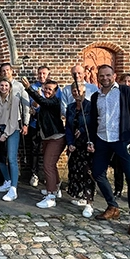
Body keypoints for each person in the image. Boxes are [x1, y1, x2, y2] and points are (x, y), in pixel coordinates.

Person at [88, 64, 130, 235]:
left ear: (114, 75)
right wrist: (91, 140)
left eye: (108, 75)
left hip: (123, 139)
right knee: (97, 172)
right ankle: (112, 206)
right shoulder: (96, 97)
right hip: (102, 139)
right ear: (98, 77)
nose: (104, 78)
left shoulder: (126, 91)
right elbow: (93, 120)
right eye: (101, 76)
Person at [22, 79, 66, 208]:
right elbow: (44, 113)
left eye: (50, 89)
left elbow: (43, 102)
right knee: (51, 165)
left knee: (48, 165)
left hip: (56, 137)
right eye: (45, 88)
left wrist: (29, 88)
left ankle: (51, 196)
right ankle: (55, 189)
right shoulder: (47, 103)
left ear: (55, 92)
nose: (47, 91)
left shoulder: (54, 101)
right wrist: (35, 113)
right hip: (47, 137)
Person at [65, 83, 95, 217]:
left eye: (79, 90)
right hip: (75, 144)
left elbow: (93, 124)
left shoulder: (90, 106)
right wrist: (70, 142)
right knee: (75, 170)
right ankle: (81, 196)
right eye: (74, 91)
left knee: (87, 172)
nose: (77, 93)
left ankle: (89, 202)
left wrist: (82, 130)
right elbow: (68, 127)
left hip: (87, 143)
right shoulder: (70, 107)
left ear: (84, 92)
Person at [26, 65, 57, 188]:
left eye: (44, 74)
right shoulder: (33, 88)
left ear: (48, 75)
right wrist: (35, 102)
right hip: (35, 123)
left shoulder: (53, 88)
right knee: (34, 149)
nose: (41, 76)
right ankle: (34, 174)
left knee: (48, 150)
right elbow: (31, 104)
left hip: (48, 125)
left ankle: (47, 175)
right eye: (40, 73)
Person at [0, 78, 22, 201]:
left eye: (6, 85)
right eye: (1, 85)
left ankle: (14, 189)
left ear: (9, 87)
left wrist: (6, 134)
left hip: (12, 130)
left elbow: (14, 120)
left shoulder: (14, 100)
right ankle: (8, 181)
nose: (3, 88)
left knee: (11, 158)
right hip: (0, 129)